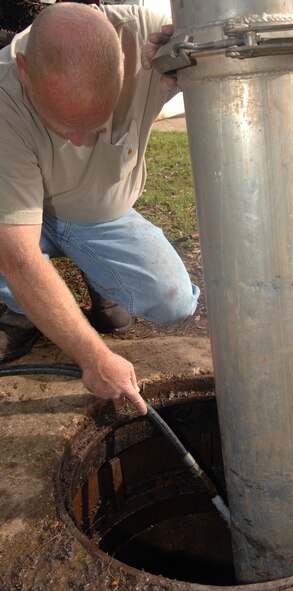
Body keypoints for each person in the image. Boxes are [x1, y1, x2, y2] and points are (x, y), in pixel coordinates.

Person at [0, 2, 199, 414]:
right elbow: (18, 256)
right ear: (24, 69)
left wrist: (192, 63)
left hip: (100, 213)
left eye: (93, 125)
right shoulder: (2, 98)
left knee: (175, 302)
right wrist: (94, 359)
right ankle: (20, 309)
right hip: (19, 216)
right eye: (64, 125)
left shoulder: (148, 39)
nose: (78, 141)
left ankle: (96, 274)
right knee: (16, 263)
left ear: (124, 61)